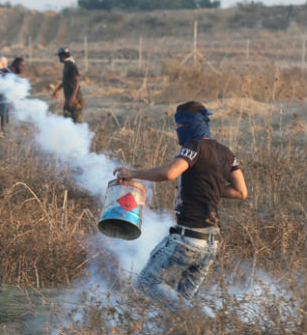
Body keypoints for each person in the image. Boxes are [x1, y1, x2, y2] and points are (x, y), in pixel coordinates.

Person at [113, 101, 248, 311]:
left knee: (146, 283)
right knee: (178, 306)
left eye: (180, 127)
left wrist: (133, 173)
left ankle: (203, 322)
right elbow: (241, 192)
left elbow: (170, 173)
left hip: (188, 239)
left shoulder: (194, 147)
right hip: (211, 244)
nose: (178, 131)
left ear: (190, 125)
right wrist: (205, 187)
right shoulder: (227, 153)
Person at [52, 47, 84, 123]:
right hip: (68, 98)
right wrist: (57, 90)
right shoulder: (66, 66)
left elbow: (77, 82)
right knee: (67, 121)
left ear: (63, 56)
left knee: (76, 122)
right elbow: (65, 81)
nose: (59, 58)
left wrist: (73, 97)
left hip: (75, 100)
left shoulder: (72, 66)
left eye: (59, 56)